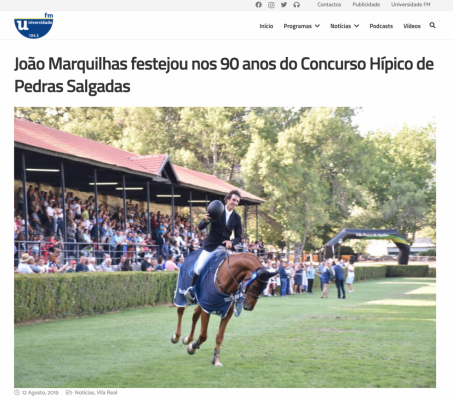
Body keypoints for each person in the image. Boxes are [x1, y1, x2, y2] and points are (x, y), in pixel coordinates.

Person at [184, 190, 242, 302]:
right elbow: (200, 227)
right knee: (199, 267)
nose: (235, 203)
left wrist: (232, 242)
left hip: (225, 248)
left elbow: (239, 237)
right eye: (233, 200)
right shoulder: (216, 209)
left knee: (237, 268)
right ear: (227, 199)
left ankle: (238, 294)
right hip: (211, 246)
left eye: (237, 201)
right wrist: (205, 220)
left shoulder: (237, 218)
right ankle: (192, 290)